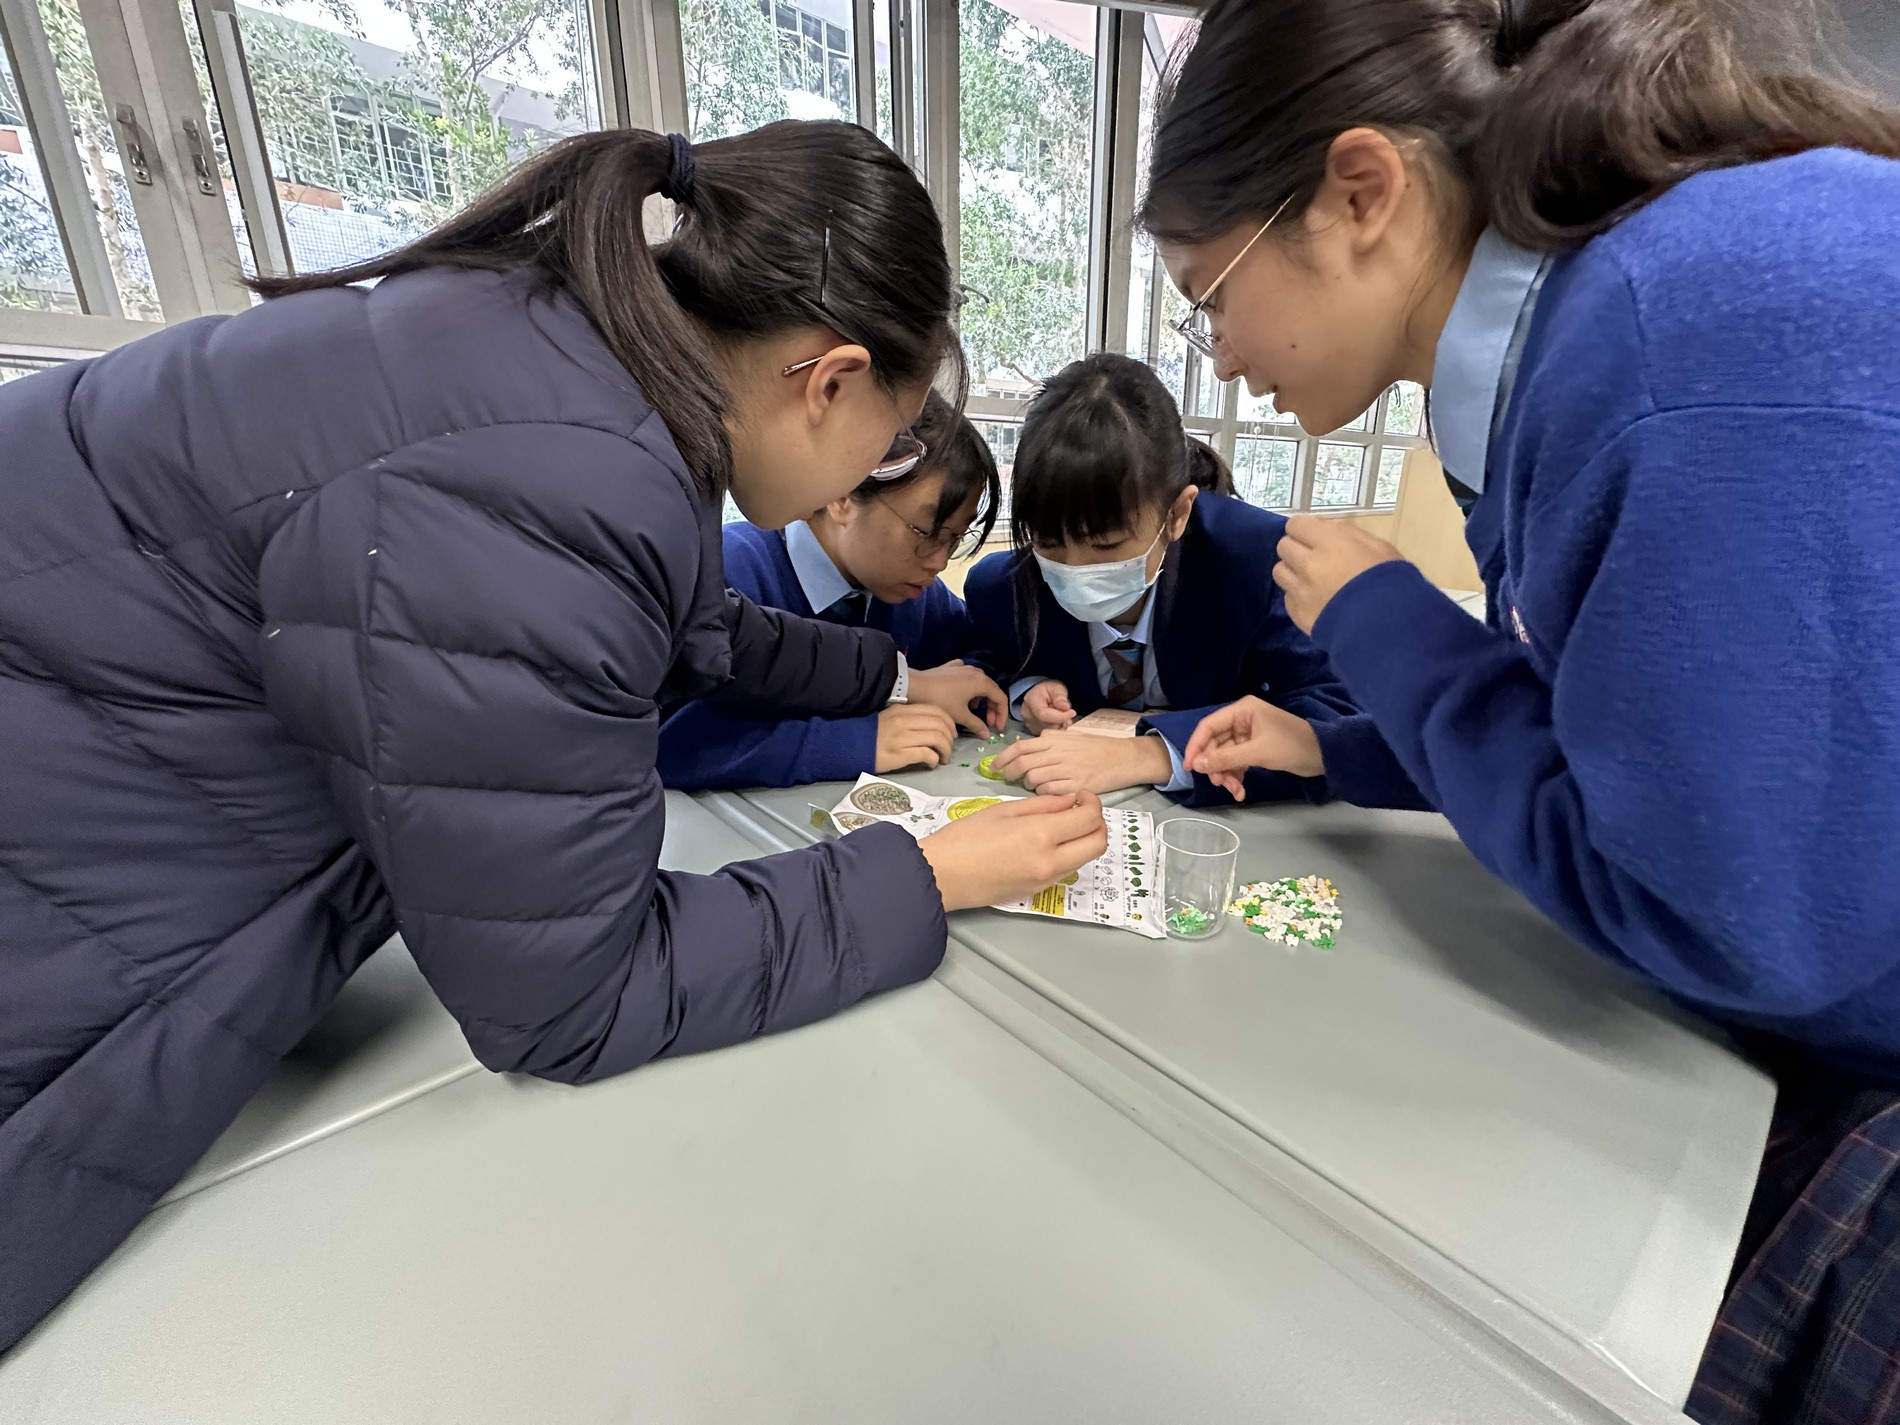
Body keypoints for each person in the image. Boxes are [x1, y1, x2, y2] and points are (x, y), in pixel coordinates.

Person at [0, 122, 1109, 1351]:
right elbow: (567, 994)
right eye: (893, 441)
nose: (878, 467)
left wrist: (893, 669)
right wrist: (926, 872)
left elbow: (682, 625)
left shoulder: (553, 357)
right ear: (829, 380)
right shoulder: (555, 476)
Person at [1143, 0, 1900, 1418]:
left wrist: (1383, 623)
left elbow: (1717, 913)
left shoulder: (1670, 348)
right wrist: (1338, 748)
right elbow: (1620, 727)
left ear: (1360, 194)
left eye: (1210, 297)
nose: (1221, 356)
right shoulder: (1579, 346)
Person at [964, 353, 1362, 806]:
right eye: (1050, 543)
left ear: (1177, 514)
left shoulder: (1261, 566)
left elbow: (1336, 719)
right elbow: (978, 663)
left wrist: (1155, 753)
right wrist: (1026, 689)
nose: (1076, 568)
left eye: (1106, 546)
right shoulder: (1003, 590)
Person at [658, 390, 1003, 788]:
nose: (939, 562)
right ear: (843, 493)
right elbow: (668, 740)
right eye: (926, 533)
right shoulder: (728, 574)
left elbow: (980, 656)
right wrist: (853, 740)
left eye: (955, 539)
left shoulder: (915, 595)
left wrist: (986, 690)